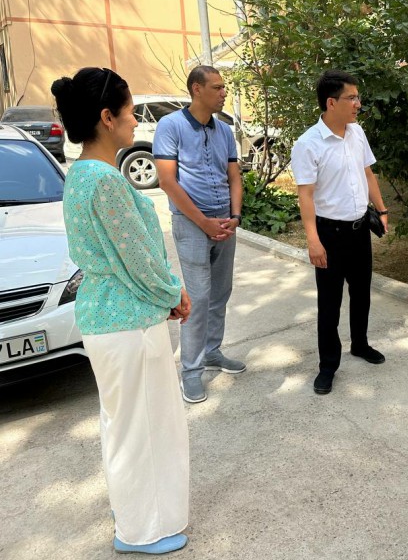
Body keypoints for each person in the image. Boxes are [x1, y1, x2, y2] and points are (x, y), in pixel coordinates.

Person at [52, 67, 191, 555]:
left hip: (110, 317)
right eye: (130, 111)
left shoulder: (81, 175)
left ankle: (132, 516)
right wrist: (173, 293)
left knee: (124, 424)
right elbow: (137, 257)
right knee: (145, 428)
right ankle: (142, 530)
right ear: (107, 117)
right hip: (127, 321)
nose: (136, 120)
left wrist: (162, 295)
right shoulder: (105, 181)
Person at [291, 69, 389, 395]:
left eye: (358, 97)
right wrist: (313, 240)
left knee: (361, 293)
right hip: (329, 234)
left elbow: (368, 173)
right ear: (331, 103)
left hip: (360, 230)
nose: (358, 103)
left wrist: (382, 210)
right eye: (352, 98)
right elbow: (306, 195)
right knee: (329, 304)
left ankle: (360, 344)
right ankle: (327, 366)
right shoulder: (308, 144)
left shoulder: (357, 133)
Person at [154, 65, 245, 404]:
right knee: (198, 297)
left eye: (224, 87)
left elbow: (234, 177)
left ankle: (212, 352)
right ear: (196, 89)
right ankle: (191, 371)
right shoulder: (171, 126)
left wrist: (234, 217)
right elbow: (167, 181)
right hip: (192, 224)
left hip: (225, 223)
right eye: (217, 87)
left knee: (221, 292)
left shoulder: (224, 130)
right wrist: (204, 222)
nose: (224, 93)